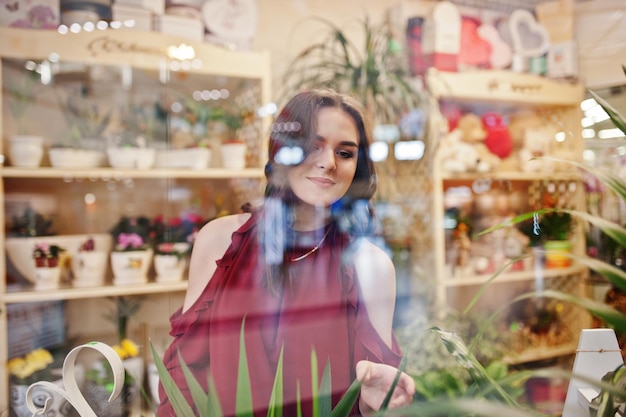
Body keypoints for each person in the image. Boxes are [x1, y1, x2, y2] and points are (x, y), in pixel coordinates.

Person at [157, 89, 415, 417]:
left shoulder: (370, 265)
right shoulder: (220, 241)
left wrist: (377, 399)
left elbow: (368, 395)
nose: (328, 162)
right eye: (313, 145)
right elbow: (184, 371)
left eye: (345, 153)